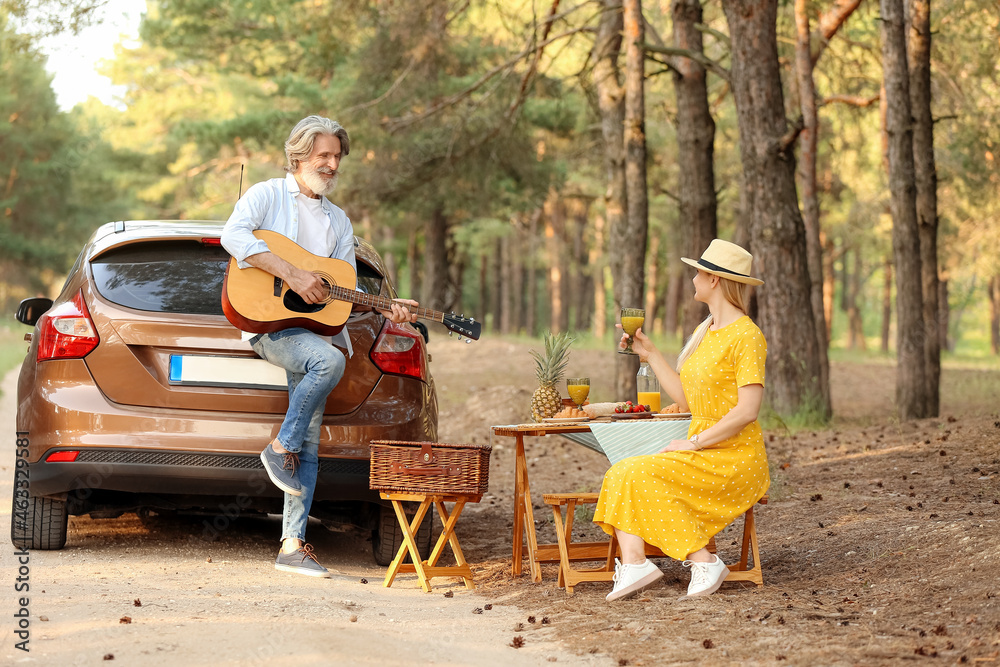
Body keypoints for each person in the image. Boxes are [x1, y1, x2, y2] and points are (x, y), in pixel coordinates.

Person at [221, 115, 418, 577]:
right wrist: (291, 273)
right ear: (298, 156)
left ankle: (292, 544)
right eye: (322, 155)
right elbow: (232, 237)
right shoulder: (266, 195)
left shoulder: (338, 220)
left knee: (310, 437)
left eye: (336, 157)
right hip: (270, 325)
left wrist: (384, 307)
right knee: (326, 363)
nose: (331, 165)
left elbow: (341, 295)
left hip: (311, 331)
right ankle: (278, 447)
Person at [594, 238, 769, 601]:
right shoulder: (703, 332)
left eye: (697, 273)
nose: (692, 280)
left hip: (733, 457)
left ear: (715, 280)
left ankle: (704, 561)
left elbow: (747, 411)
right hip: (703, 448)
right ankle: (636, 563)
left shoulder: (747, 336)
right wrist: (650, 352)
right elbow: (688, 399)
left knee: (636, 473)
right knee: (622, 472)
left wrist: (694, 442)